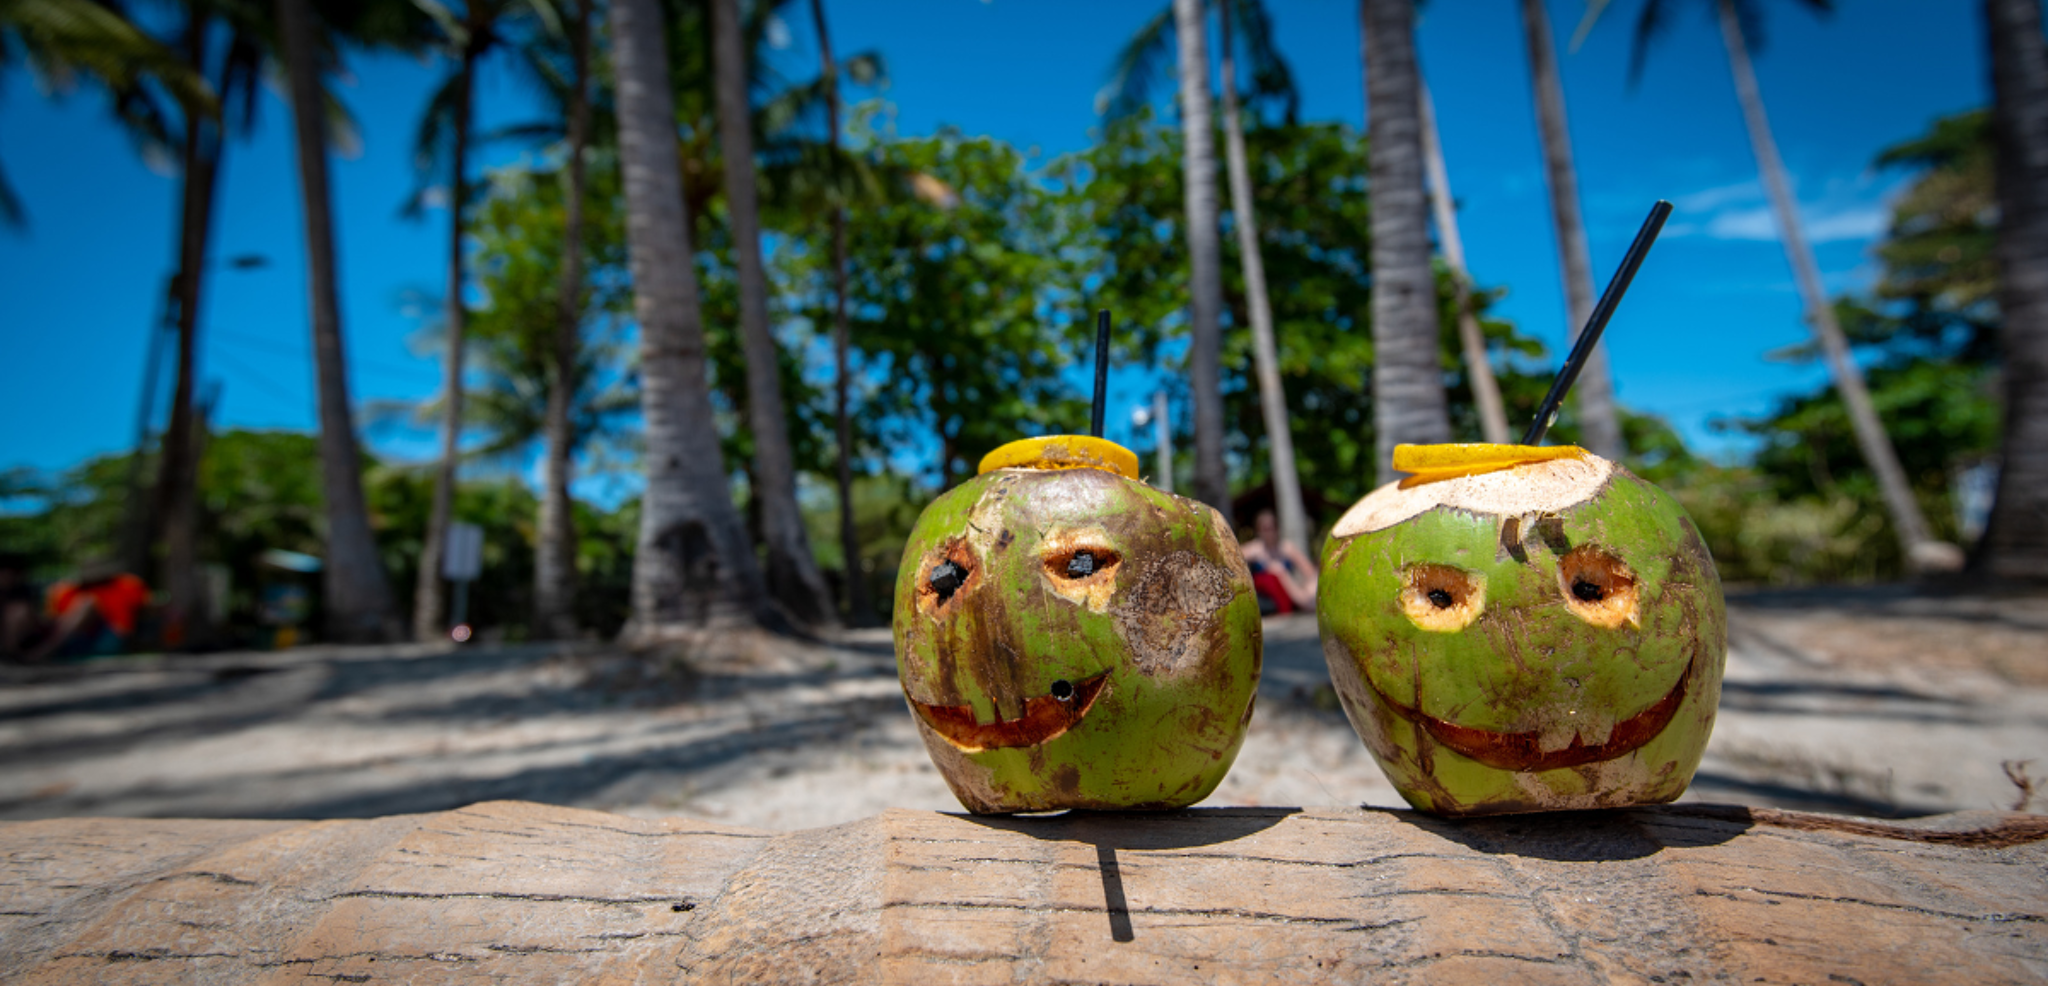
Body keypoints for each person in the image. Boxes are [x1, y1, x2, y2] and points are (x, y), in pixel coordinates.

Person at [26, 560, 149, 661]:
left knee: (87, 603)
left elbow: (148, 609)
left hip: (110, 636)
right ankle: (44, 649)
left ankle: (47, 650)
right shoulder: (65, 590)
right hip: (72, 638)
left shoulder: (126, 585)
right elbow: (52, 618)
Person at [1240, 509, 1318, 615]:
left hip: (1287, 595)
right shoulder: (1253, 549)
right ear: (1258, 531)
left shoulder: (1287, 548)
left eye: (1272, 528)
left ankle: (1304, 602)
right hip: (1263, 600)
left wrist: (1309, 588)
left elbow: (1310, 572)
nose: (1269, 533)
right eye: (1265, 529)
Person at [0, 553, 42, 660]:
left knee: (16, 611)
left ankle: (10, 654)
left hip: (24, 640)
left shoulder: (23, 592)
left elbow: (32, 618)